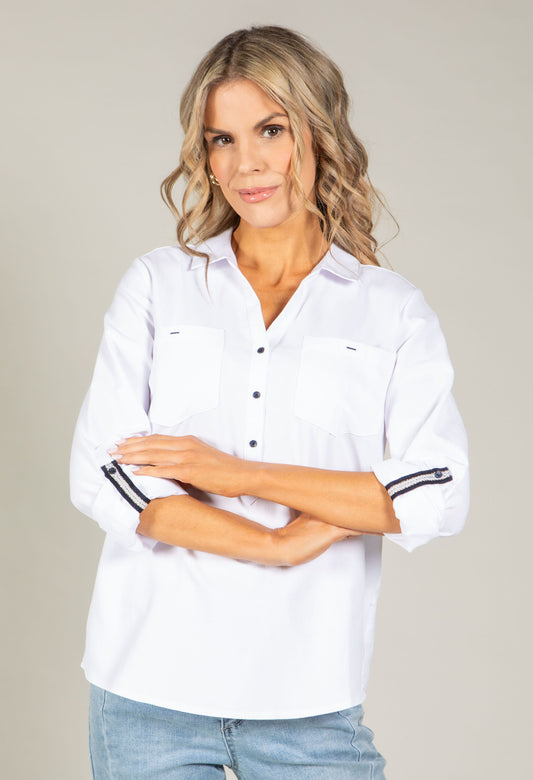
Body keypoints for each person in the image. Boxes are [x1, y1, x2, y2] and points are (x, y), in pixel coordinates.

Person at [70, 24, 469, 779]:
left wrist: (241, 475)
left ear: (318, 132)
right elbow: (106, 477)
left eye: (271, 130)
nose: (245, 163)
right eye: (221, 140)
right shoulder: (158, 285)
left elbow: (437, 492)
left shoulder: (390, 310)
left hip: (308, 703)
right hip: (146, 691)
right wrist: (276, 543)